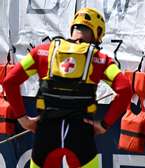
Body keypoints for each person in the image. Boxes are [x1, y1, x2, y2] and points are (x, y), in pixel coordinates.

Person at [3, 7, 132, 167]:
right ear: (97, 32)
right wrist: (105, 124)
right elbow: (125, 89)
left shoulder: (42, 51)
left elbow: (9, 81)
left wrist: (23, 118)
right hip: (81, 135)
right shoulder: (100, 59)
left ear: (73, 27)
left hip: (45, 133)